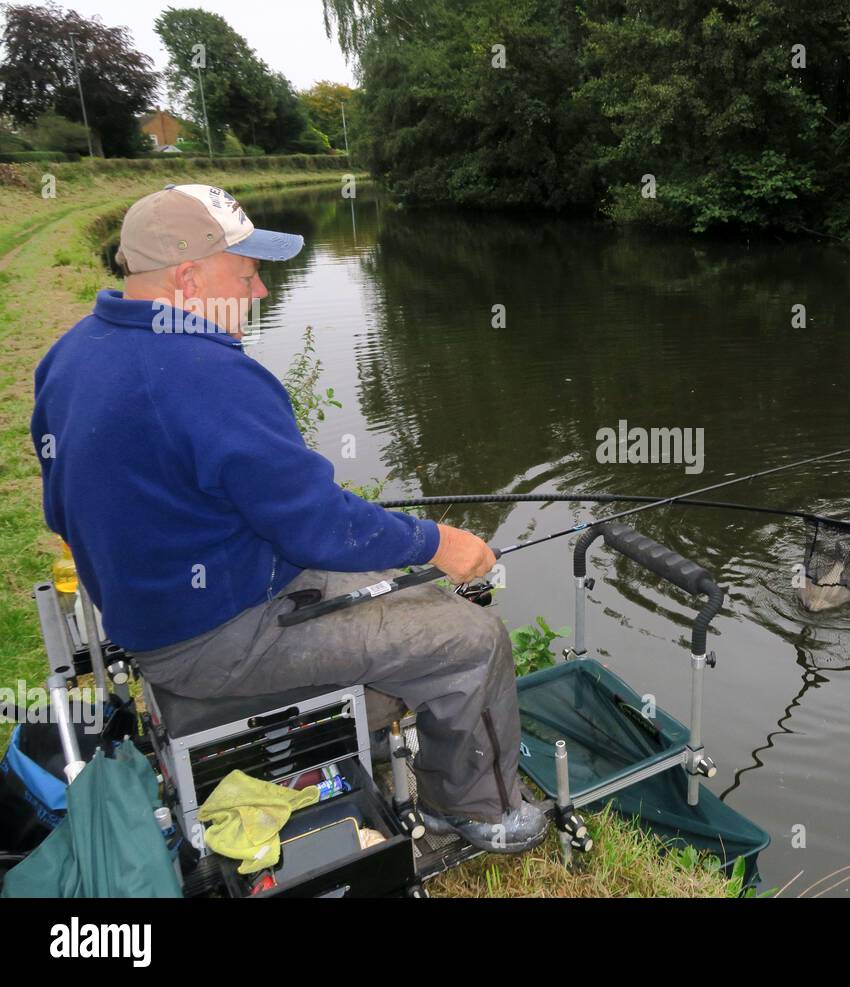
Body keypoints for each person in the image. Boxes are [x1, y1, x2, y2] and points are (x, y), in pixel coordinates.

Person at [30, 184, 548, 852]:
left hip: (158, 618)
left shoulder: (71, 354)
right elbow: (317, 525)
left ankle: (393, 717)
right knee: (472, 641)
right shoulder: (207, 375)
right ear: (188, 277)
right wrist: (442, 540)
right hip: (217, 637)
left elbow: (62, 511)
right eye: (247, 273)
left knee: (402, 582)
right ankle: (473, 810)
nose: (261, 291)